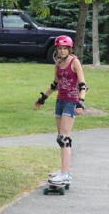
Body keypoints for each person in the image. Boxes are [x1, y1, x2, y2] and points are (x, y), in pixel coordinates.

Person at [34, 35, 87, 185]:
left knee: (64, 138)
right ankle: (64, 170)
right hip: (60, 102)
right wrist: (42, 99)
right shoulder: (57, 64)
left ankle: (65, 174)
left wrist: (80, 103)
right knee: (60, 138)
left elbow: (83, 85)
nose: (62, 51)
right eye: (60, 48)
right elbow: (55, 85)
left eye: (65, 48)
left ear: (69, 49)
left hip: (71, 102)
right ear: (56, 49)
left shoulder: (75, 62)